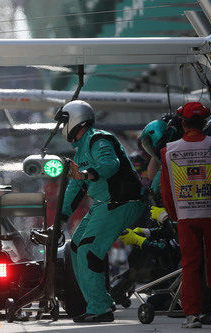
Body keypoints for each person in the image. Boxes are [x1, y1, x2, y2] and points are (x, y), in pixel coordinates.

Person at [58, 100, 146, 322]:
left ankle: (101, 308)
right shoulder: (80, 152)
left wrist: (86, 173)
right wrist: (62, 217)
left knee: (89, 249)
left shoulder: (100, 140)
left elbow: (110, 164)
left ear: (76, 119)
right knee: (77, 246)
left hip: (121, 203)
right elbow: (74, 188)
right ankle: (94, 304)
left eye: (64, 122)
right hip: (104, 204)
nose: (62, 127)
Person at [160, 102, 211, 328]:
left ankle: (192, 315)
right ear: (205, 123)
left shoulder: (169, 151)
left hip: (186, 215)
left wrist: (174, 215)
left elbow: (166, 191)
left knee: (190, 264)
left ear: (183, 123)